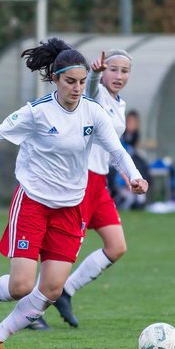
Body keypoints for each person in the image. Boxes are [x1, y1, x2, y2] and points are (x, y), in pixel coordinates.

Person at [0, 37, 148, 349]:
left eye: (82, 82)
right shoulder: (36, 113)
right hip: (34, 203)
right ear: (55, 79)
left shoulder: (93, 112)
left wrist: (134, 176)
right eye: (70, 81)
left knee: (51, 289)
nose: (77, 88)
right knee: (22, 285)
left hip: (70, 208)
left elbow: (117, 152)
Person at [50, 49, 135, 329]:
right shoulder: (93, 95)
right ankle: (33, 310)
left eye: (124, 71)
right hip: (81, 180)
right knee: (62, 252)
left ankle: (66, 291)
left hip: (100, 183)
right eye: (113, 69)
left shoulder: (119, 104)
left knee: (117, 246)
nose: (119, 76)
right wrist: (96, 73)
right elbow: (93, 88)